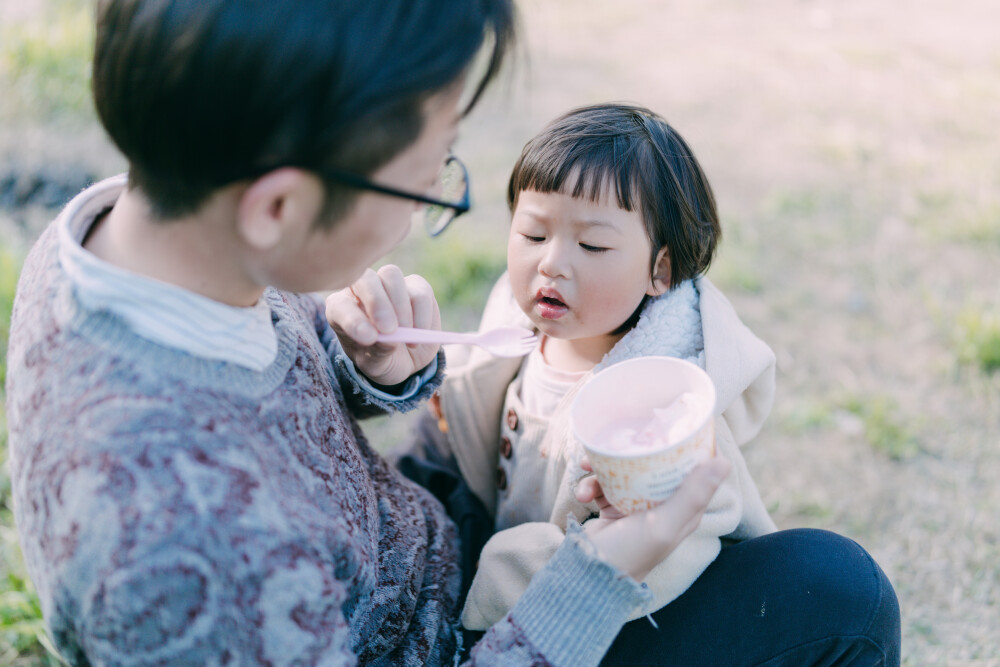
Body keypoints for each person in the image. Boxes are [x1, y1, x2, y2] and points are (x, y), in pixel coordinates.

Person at [5, 1, 734, 665]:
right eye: (421, 181)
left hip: (424, 543)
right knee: (830, 592)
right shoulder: (195, 559)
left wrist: (353, 360)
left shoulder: (133, 238)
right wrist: (594, 582)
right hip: (463, 636)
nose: (418, 215)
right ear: (277, 206)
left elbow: (257, 407)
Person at [382, 104, 903, 665]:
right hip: (511, 598)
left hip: (613, 613)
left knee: (847, 590)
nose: (551, 263)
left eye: (593, 247)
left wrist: (489, 585)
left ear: (661, 270)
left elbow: (681, 546)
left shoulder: (662, 406)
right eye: (533, 232)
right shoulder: (508, 336)